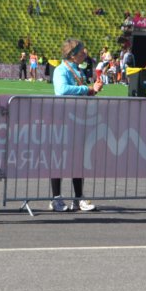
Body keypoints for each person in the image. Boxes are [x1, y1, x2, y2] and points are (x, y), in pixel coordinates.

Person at [49, 39, 104, 212]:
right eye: (81, 52)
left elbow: (82, 93)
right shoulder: (61, 70)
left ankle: (78, 198)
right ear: (72, 54)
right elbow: (62, 90)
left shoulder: (77, 70)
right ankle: (56, 198)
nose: (84, 54)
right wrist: (87, 89)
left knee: (78, 160)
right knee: (59, 160)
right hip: (63, 121)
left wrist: (93, 90)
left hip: (78, 120)